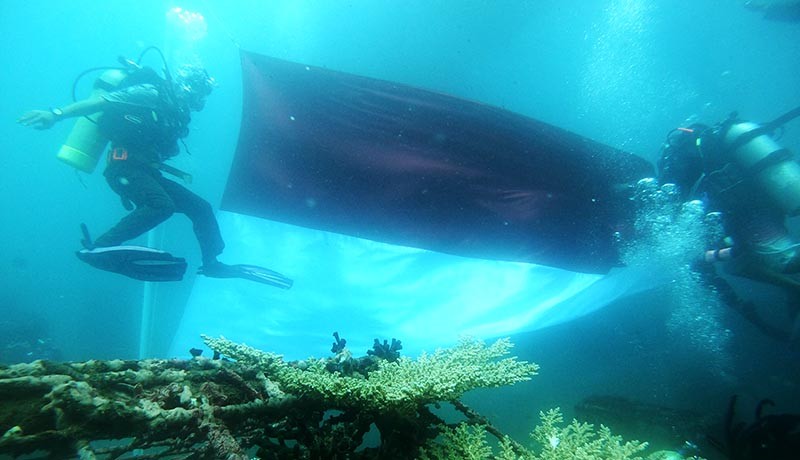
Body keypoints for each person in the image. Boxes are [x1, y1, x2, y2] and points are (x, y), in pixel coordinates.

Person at [18, 60, 292, 288]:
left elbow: (164, 148)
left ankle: (212, 263)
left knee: (201, 208)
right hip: (122, 168)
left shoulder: (176, 112)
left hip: (146, 172)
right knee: (162, 206)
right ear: (188, 86)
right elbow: (100, 102)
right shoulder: (150, 93)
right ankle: (102, 246)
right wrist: (55, 113)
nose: (200, 101)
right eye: (199, 93)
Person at [657, 111, 800, 342]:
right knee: (755, 260)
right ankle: (792, 289)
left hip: (744, 212)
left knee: (775, 261)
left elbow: (683, 209)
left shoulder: (675, 163)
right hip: (767, 197)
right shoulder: (721, 151)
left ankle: (792, 288)